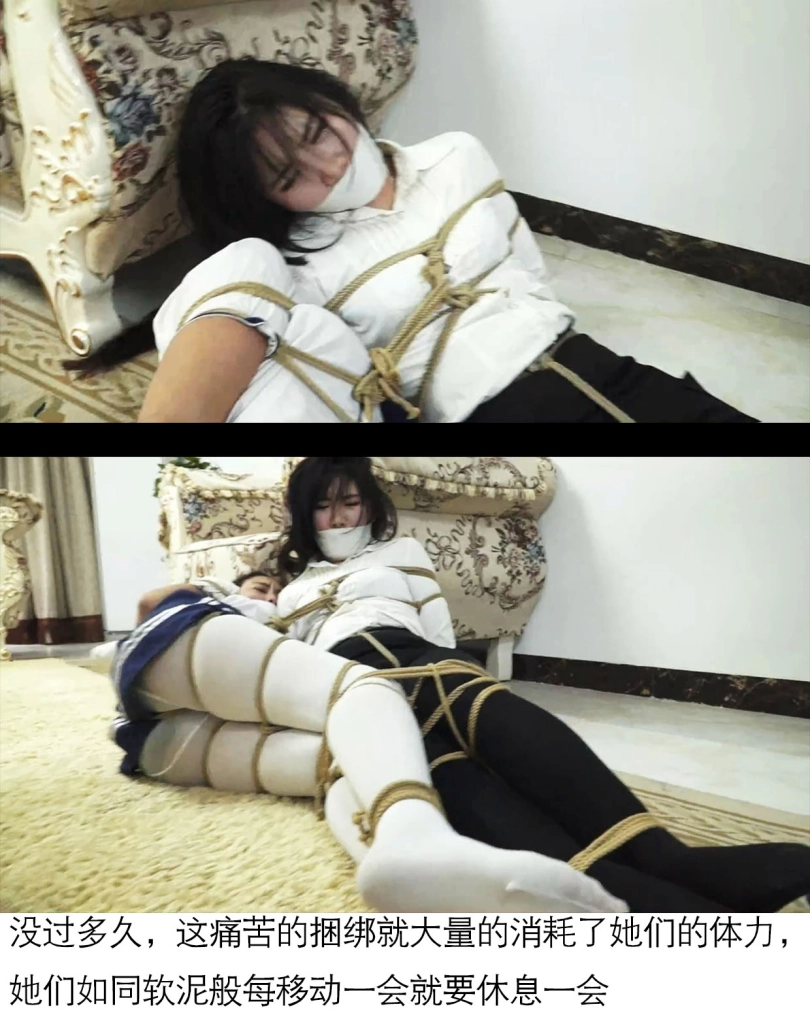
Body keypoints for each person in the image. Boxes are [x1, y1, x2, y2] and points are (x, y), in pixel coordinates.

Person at [63, 59, 757, 424]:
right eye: (290, 176)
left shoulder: (457, 155)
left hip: (592, 359)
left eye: (318, 133)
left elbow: (526, 262)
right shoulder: (293, 268)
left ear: (331, 98)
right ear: (263, 198)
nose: (330, 167)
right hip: (487, 415)